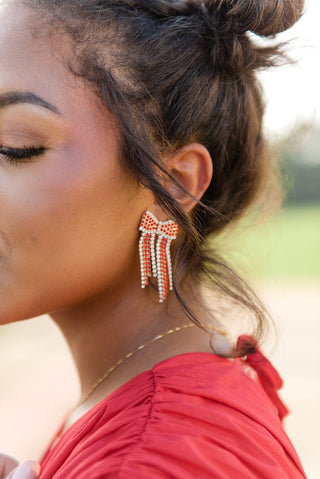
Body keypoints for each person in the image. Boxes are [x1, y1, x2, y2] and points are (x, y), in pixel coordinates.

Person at [0, 0, 307, 477]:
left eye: (14, 146)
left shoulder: (154, 455)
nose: (9, 151)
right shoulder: (152, 404)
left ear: (174, 183)